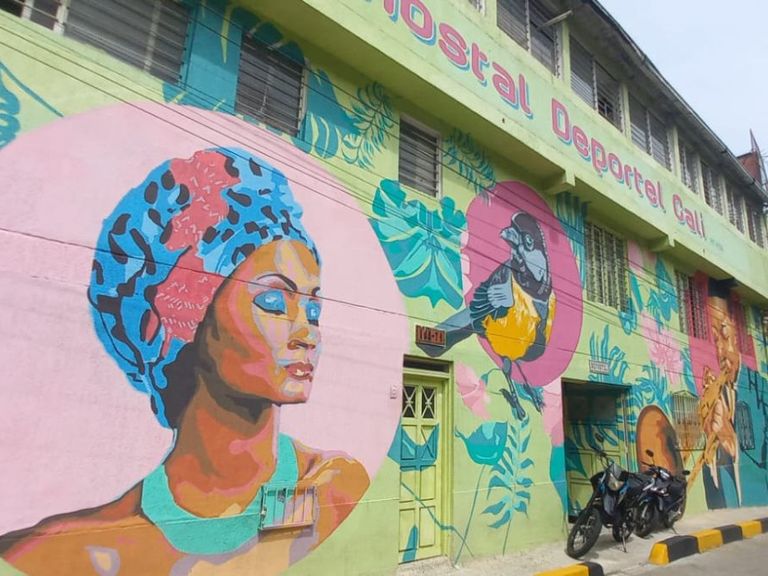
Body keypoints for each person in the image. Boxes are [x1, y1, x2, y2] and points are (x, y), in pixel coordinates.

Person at [0, 148, 369, 575]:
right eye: (273, 301)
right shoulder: (72, 551)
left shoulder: (337, 487)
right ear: (179, 318)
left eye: (314, 310)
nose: (308, 334)